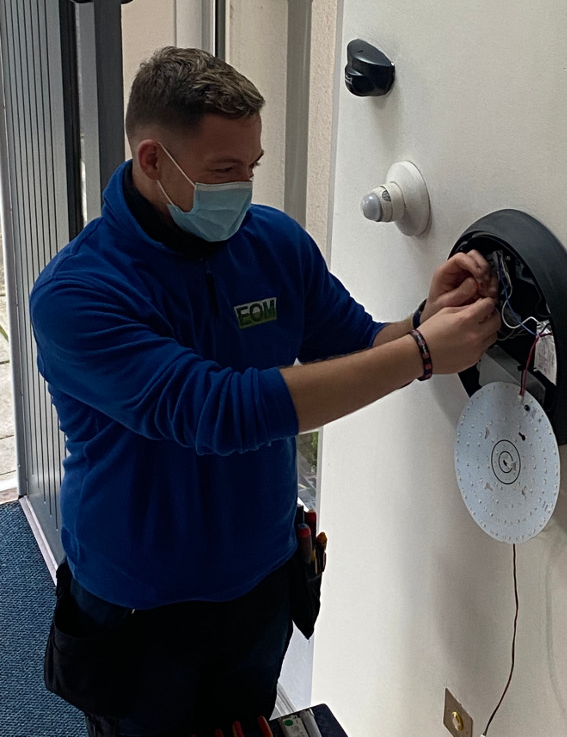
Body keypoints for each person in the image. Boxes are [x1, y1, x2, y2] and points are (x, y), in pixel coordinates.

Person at [30, 47, 500, 737]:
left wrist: (422, 320)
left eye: (251, 168)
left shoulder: (274, 243)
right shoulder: (75, 295)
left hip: (261, 578)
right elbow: (218, 411)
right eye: (224, 171)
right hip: (139, 604)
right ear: (154, 160)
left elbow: (357, 342)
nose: (244, 189)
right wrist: (422, 355)